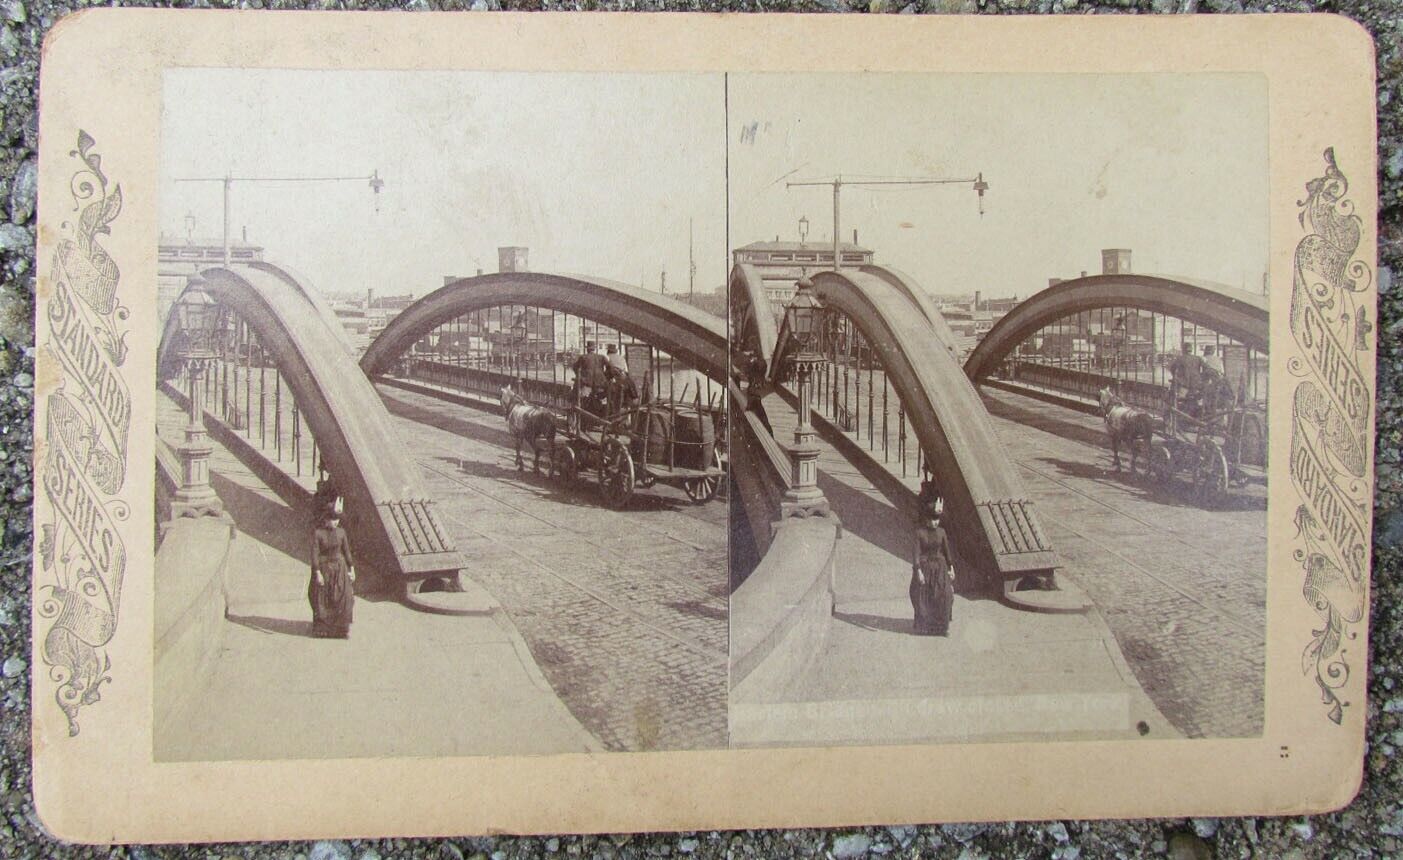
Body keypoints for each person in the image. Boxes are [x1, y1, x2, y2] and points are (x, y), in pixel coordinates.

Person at [309, 497, 356, 639]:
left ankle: (341, 629)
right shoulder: (318, 533)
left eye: (337, 519)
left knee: (344, 597)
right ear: (325, 519)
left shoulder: (341, 532)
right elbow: (314, 554)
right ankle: (322, 629)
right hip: (324, 569)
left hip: (340, 568)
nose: (336, 522)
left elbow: (347, 551)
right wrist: (317, 573)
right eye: (332, 519)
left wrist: (352, 569)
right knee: (322, 598)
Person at [910, 495, 955, 636]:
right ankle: (924, 626)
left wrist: (951, 567)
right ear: (926, 519)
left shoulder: (942, 532)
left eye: (937, 520)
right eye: (932, 520)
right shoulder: (919, 533)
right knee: (922, 595)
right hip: (924, 567)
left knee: (945, 594)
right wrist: (918, 571)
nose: (934, 523)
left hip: (940, 567)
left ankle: (943, 627)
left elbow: (947, 552)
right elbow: (916, 553)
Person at [571, 341, 611, 409]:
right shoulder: (602, 357)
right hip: (600, 383)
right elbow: (610, 367)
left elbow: (575, 367)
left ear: (587, 349)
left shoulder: (583, 357)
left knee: (579, 398)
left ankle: (578, 410)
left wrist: (579, 375)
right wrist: (604, 376)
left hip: (586, 383)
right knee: (601, 399)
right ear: (594, 349)